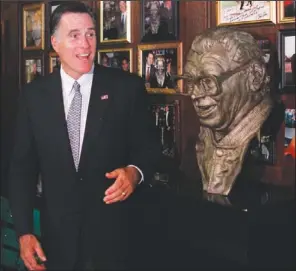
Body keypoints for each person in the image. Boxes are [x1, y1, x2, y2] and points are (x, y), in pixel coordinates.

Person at [8, 2, 161, 270]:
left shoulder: (127, 88)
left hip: (117, 242)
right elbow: (22, 169)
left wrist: (134, 173)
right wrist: (24, 231)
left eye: (90, 34)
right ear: (55, 43)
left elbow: (149, 149)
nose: (86, 44)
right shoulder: (34, 96)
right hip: (56, 244)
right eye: (75, 35)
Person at [180, 27, 273, 196]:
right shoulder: (196, 141)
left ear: (255, 76)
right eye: (189, 81)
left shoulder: (273, 134)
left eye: (208, 81)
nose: (194, 94)